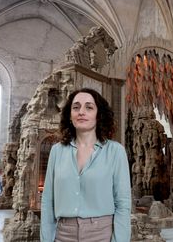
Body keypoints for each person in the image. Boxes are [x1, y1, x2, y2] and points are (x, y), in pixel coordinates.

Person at [41, 88, 131, 242]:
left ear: (99, 115)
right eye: (76, 107)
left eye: (89, 107)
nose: (81, 112)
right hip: (63, 235)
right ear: (70, 115)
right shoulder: (57, 151)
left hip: (102, 234)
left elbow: (123, 204)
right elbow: (47, 201)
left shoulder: (116, 151)